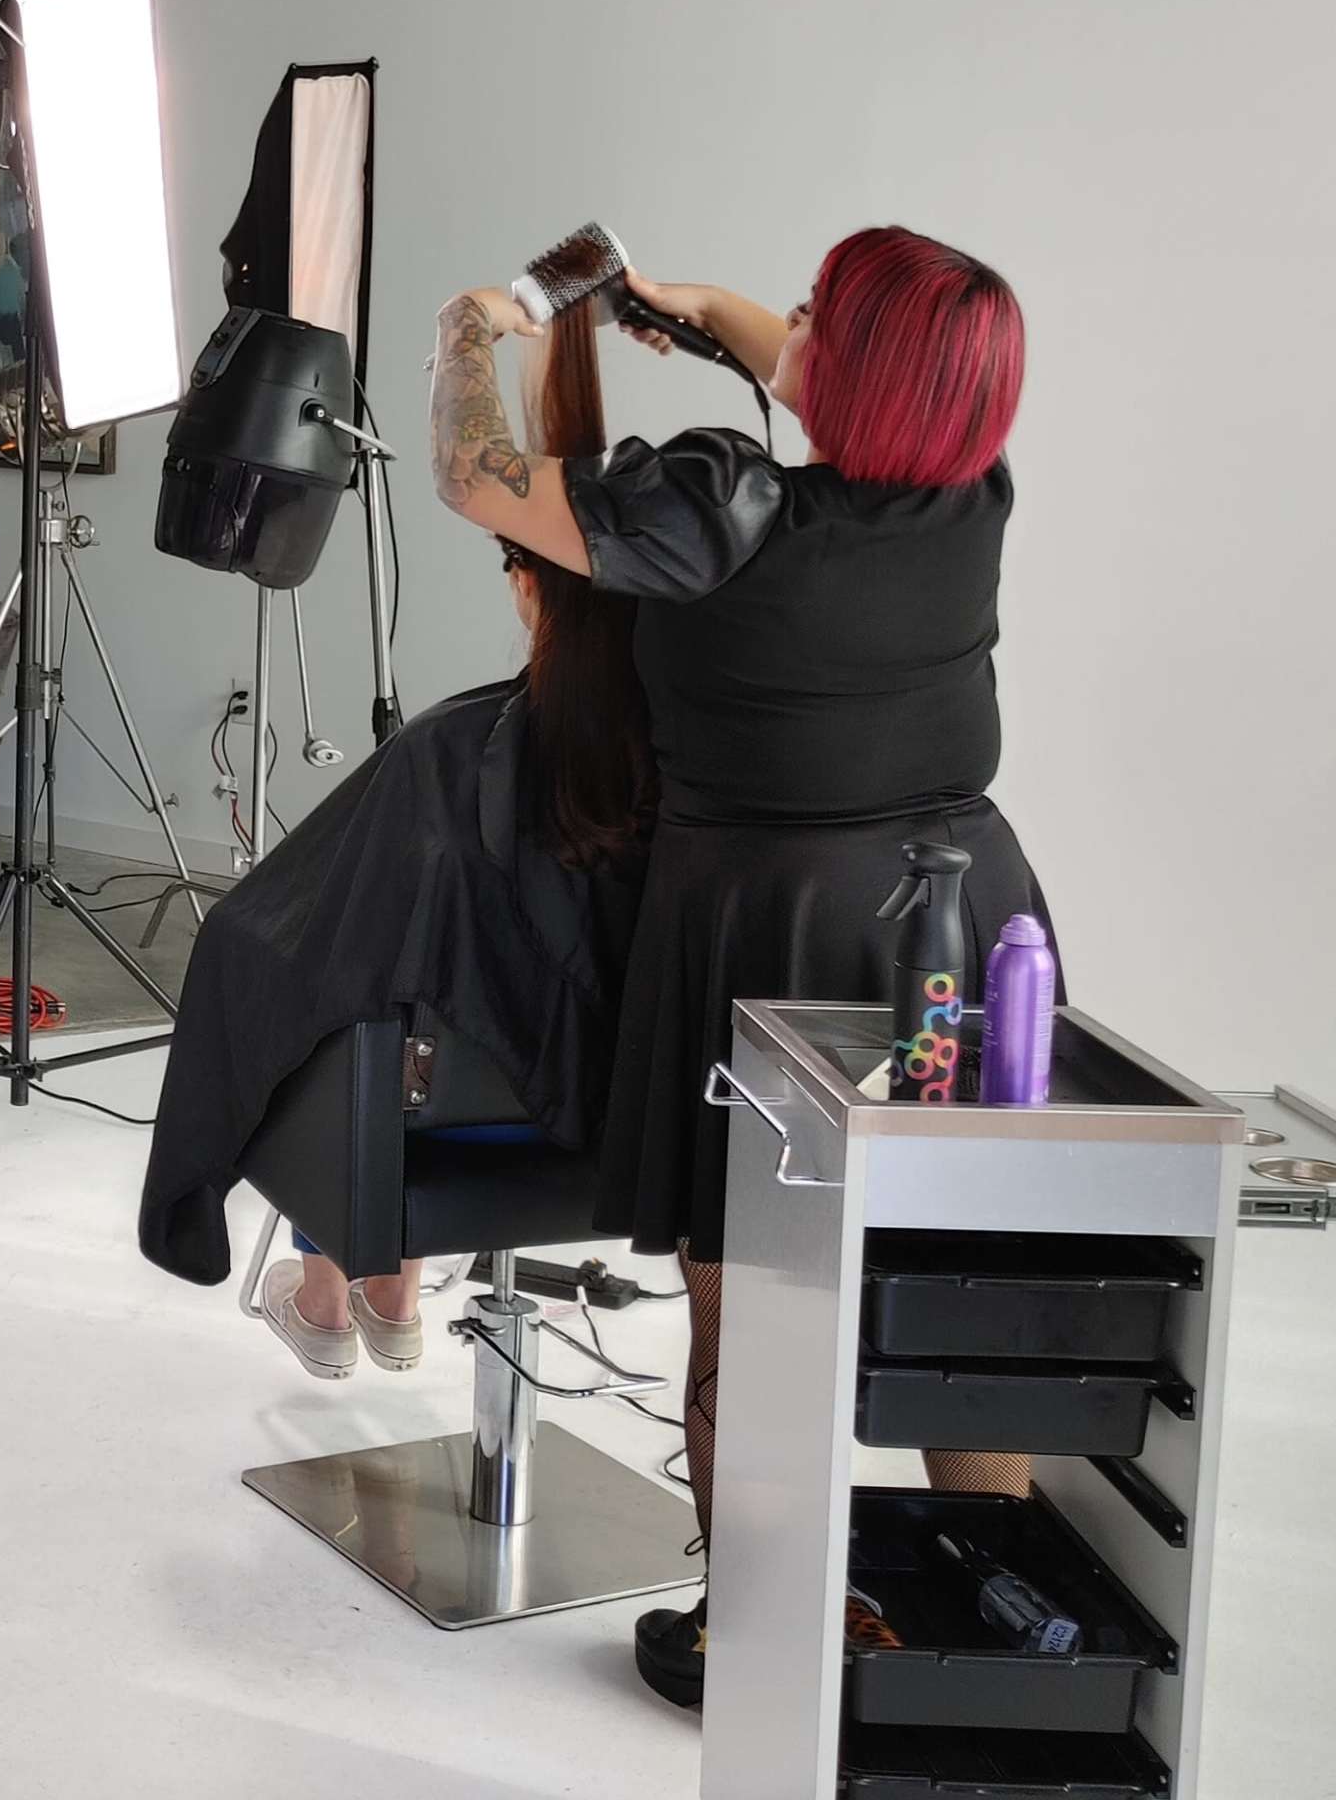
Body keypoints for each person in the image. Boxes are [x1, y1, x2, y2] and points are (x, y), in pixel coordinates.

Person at [430, 228, 1050, 1711]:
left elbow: (478, 481)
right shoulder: (973, 491)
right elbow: (834, 378)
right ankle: (997, 1603)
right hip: (959, 924)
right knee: (949, 1284)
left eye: (819, 310)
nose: (795, 321)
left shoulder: (720, 503)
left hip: (769, 939)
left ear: (860, 365)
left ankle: (758, 1632)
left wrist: (471, 341)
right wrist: (699, 308)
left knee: (754, 1304)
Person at [140, 307, 652, 1368]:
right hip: (631, 1128)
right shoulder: (688, 756)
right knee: (418, 957)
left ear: (524, 581)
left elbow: (294, 950)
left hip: (455, 1128)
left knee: (330, 979)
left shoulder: (454, 751)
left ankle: (343, 1279)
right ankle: (387, 1282)